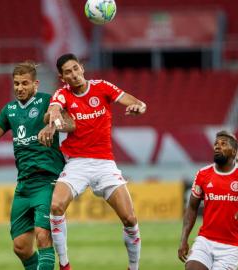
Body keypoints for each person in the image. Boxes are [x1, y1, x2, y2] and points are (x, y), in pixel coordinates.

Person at [0, 61, 75, 270]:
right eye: (16, 83)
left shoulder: (48, 101)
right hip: (24, 184)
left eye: (25, 83)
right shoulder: (9, 110)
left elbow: (72, 123)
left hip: (47, 180)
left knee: (43, 237)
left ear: (36, 84)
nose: (19, 88)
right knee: (21, 247)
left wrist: (53, 125)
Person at [40, 53, 147, 270]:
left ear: (82, 68)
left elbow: (137, 102)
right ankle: (64, 265)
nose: (74, 74)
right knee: (56, 206)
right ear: (63, 77)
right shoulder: (63, 94)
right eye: (68, 72)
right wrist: (52, 119)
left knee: (129, 218)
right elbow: (54, 108)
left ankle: (133, 268)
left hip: (104, 163)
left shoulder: (102, 87)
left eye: (75, 69)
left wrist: (139, 108)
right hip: (77, 163)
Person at [178, 131, 238, 270]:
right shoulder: (203, 174)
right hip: (205, 241)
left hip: (232, 246)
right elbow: (192, 207)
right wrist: (183, 240)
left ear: (234, 152)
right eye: (216, 144)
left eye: (223, 144)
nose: (217, 146)